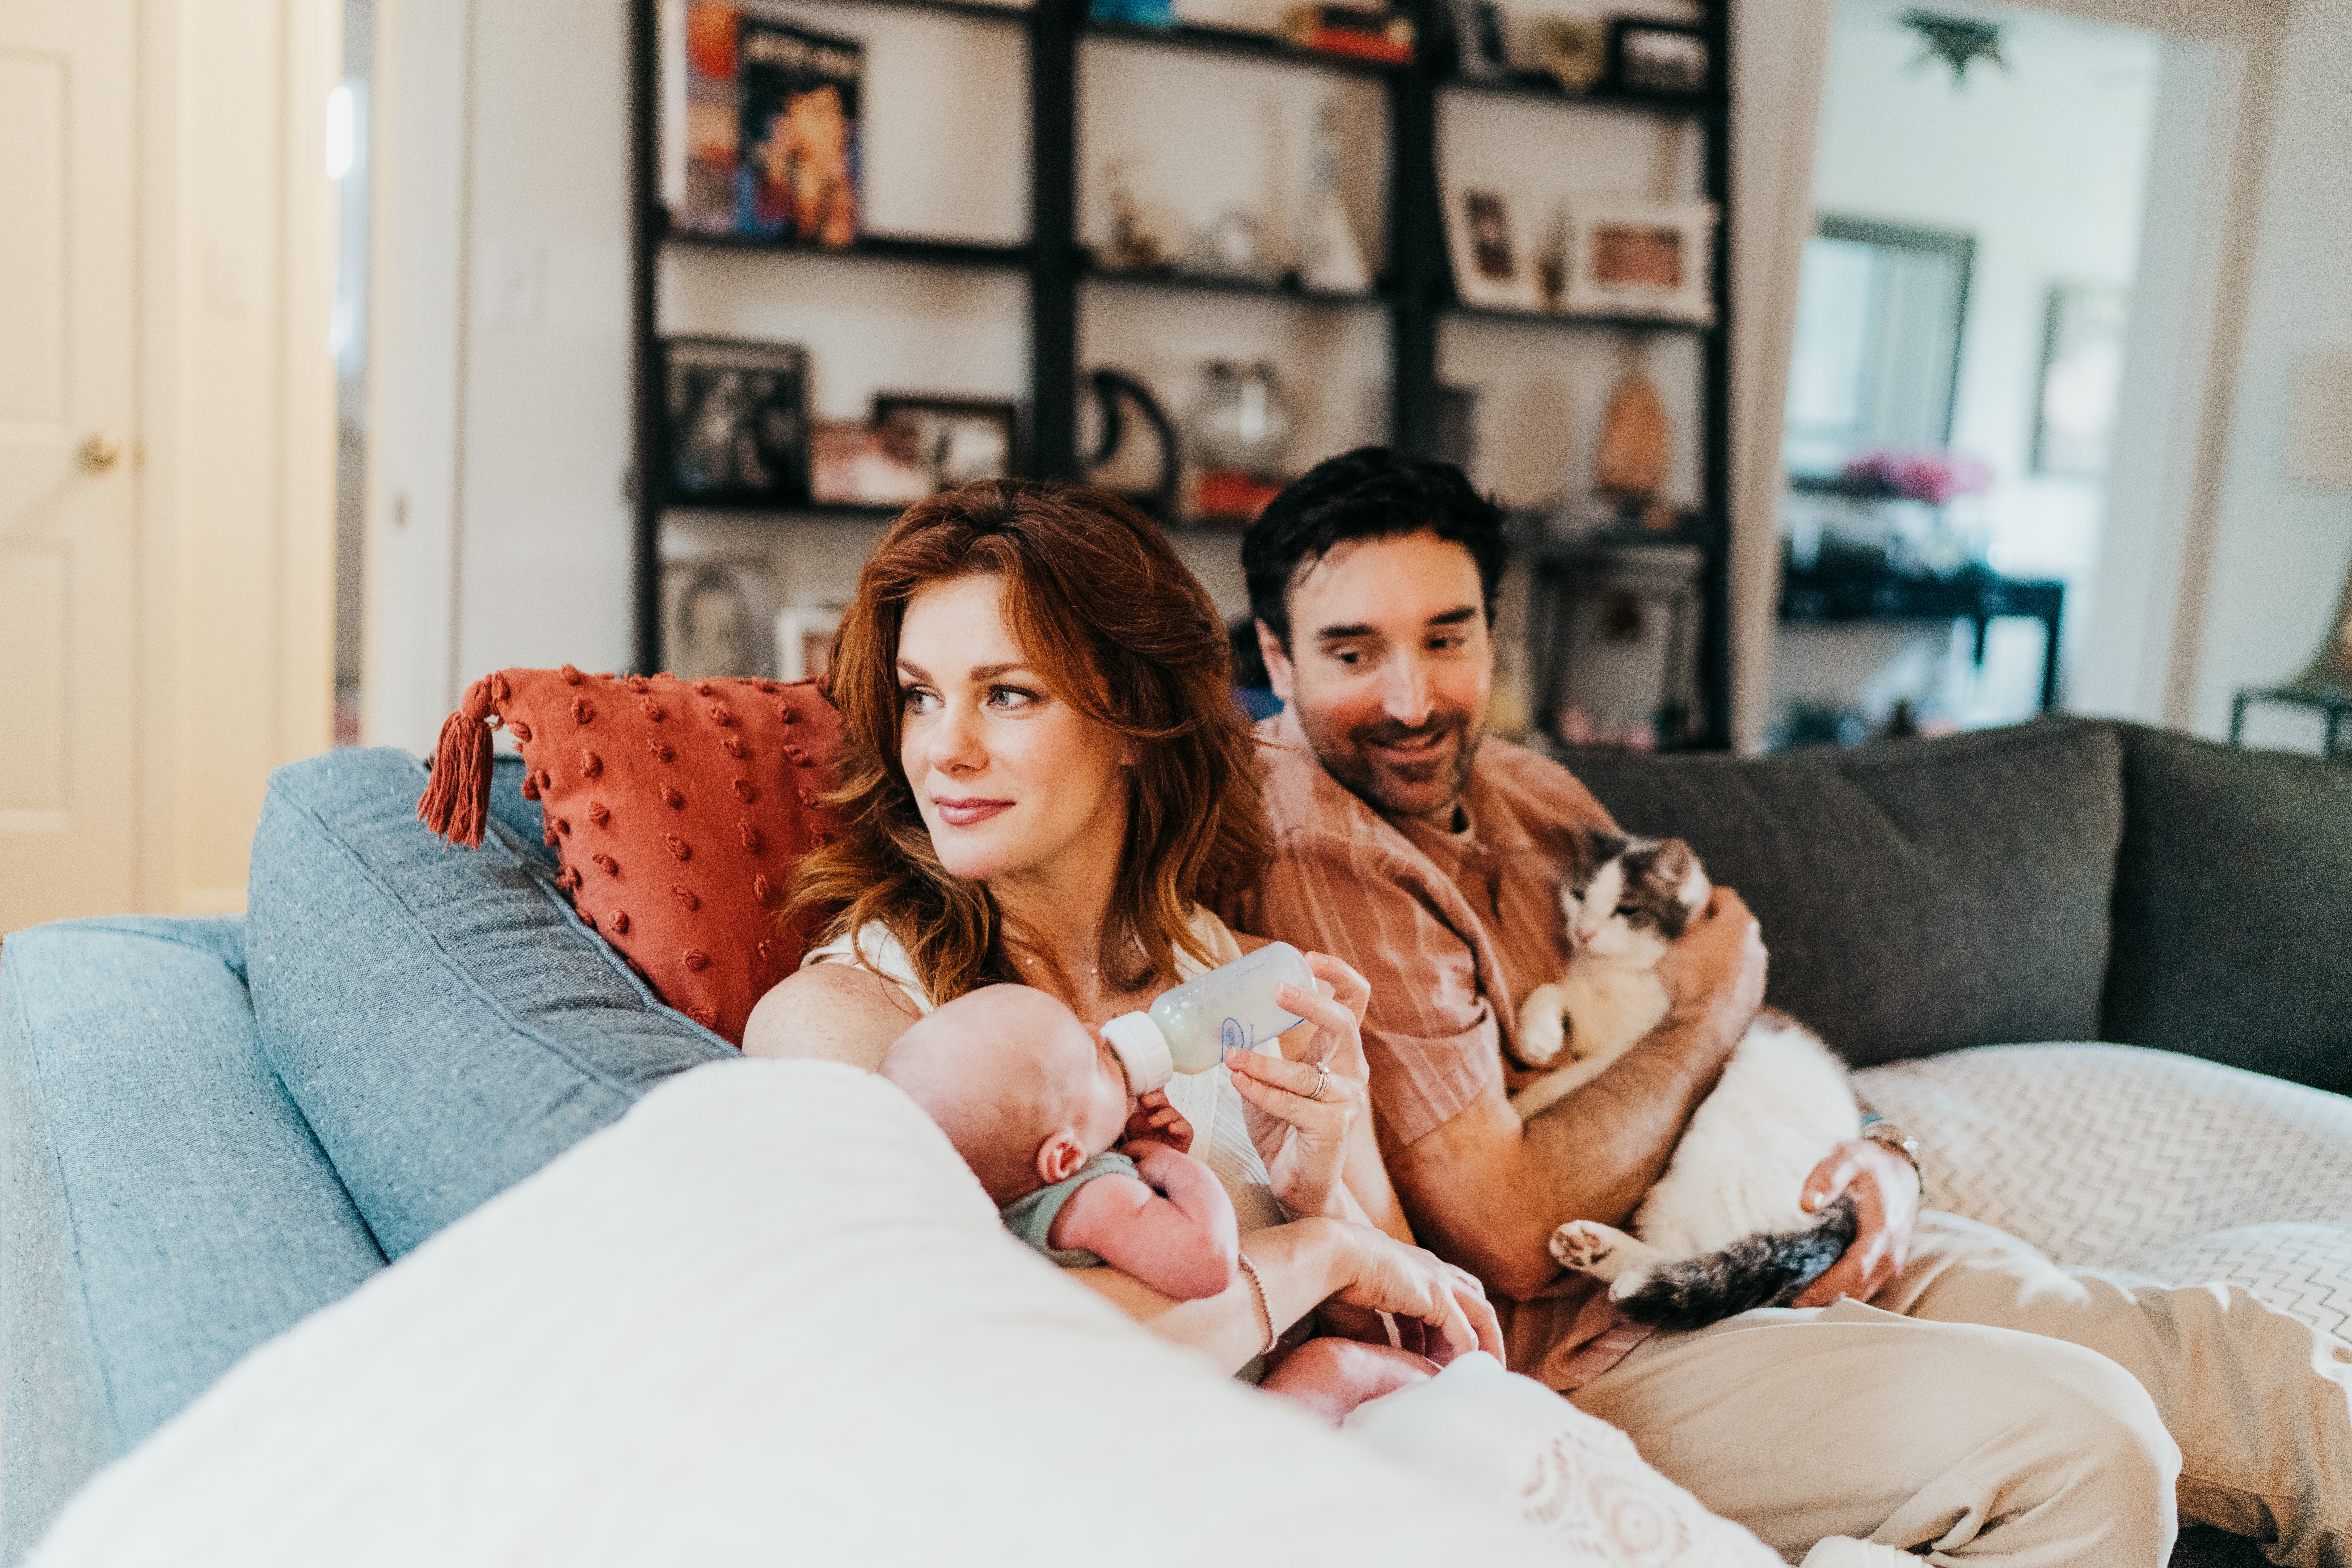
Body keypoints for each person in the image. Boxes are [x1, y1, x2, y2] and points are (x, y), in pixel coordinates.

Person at [1228, 446, 2352, 1567]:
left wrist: (1877, 1151)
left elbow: (1741, 1046)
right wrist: (1708, 1005)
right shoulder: (1322, 848)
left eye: (1445, 636)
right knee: (2092, 1442)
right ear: (1276, 654)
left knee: (2237, 1358)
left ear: (1489, 629)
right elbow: (1516, 1229)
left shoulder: (1522, 786)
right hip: (1600, 1336)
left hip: (1771, 1221)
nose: (1413, 697)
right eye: (1352, 651)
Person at [739, 478, 1503, 1384]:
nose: (945, 750)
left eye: (1009, 695)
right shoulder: (847, 1025)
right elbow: (965, 1362)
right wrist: (1320, 1254)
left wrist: (1317, 1194)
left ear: (1136, 723)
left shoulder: (1258, 987)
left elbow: (1436, 1356)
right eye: (920, 696)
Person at [882, 981, 1439, 1422]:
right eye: (1093, 1059)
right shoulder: (1095, 1198)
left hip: (1210, 1392)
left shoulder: (1038, 1204)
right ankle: (1458, 1388)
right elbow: (1207, 1260)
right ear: (1064, 1157)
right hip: (1211, 1414)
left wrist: (1139, 1156)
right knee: (1332, 1369)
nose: (1100, 1032)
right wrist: (1180, 1170)